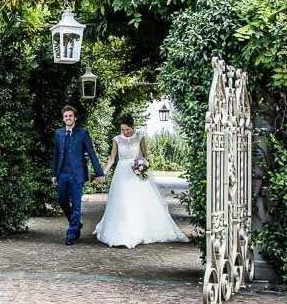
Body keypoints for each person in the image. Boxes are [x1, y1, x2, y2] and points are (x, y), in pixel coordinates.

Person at [95, 114, 188, 248]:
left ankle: (138, 229)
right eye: (122, 130)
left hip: (135, 173)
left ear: (132, 127)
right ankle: (120, 230)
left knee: (137, 201)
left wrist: (142, 167)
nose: (125, 132)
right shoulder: (116, 139)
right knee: (121, 200)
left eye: (127, 130)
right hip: (121, 173)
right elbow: (112, 158)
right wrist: (103, 172)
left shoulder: (140, 138)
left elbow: (144, 156)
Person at [51, 105, 104, 246]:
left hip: (77, 174)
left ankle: (71, 233)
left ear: (75, 118)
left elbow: (91, 153)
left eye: (70, 116)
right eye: (66, 116)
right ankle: (76, 224)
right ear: (63, 119)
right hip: (62, 173)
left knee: (76, 205)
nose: (68, 118)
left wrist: (99, 172)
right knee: (62, 201)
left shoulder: (82, 132)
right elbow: (55, 155)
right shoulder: (59, 133)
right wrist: (54, 174)